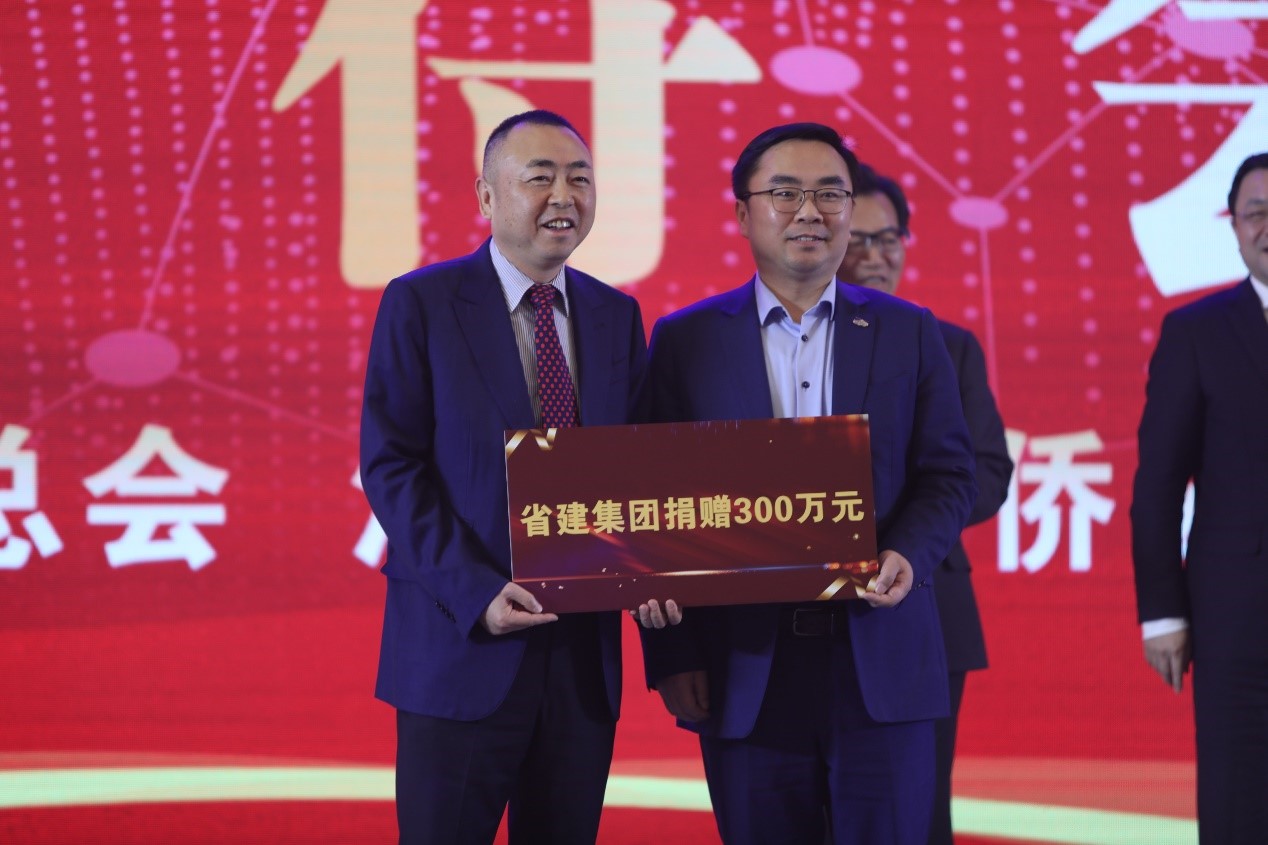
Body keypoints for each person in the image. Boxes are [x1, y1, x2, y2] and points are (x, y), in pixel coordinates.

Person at [638, 122, 978, 845]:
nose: (809, 212)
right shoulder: (685, 339)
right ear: (743, 213)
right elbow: (655, 504)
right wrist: (674, 655)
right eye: (785, 193)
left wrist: (909, 552)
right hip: (744, 667)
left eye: (830, 194)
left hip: (879, 655)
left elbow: (950, 472)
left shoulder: (909, 331)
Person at [359, 110, 648, 845]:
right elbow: (391, 464)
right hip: (461, 646)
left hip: (581, 660)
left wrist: (660, 568)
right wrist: (476, 591)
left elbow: (640, 467)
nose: (564, 196)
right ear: (487, 196)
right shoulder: (422, 302)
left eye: (580, 178)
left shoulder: (616, 315)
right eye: (539, 177)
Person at [837, 165, 1013, 845]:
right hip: (800, 611)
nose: (875, 256)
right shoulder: (788, 341)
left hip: (928, 605)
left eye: (889, 239)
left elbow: (985, 472)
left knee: (917, 810)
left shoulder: (949, 344)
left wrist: (904, 529)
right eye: (859, 240)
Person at [1130, 151, 1268, 845]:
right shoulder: (1197, 331)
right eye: (1256, 213)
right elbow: (1157, 484)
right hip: (1240, 618)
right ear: (1234, 227)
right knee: (1241, 800)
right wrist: (1163, 613)